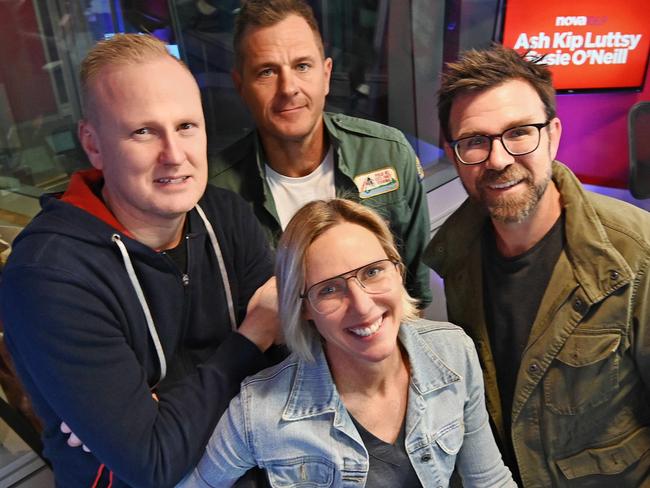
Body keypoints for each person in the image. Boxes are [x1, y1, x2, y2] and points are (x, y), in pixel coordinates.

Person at [0, 34, 281, 487]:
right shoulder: (49, 277)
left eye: (186, 126)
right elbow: (150, 462)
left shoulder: (224, 213)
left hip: (257, 462)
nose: (174, 155)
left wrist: (162, 412)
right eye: (143, 132)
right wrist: (253, 336)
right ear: (93, 144)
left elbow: (294, 357)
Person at [423, 44, 650, 487]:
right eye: (475, 141)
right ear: (453, 155)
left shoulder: (636, 255)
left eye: (519, 132)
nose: (499, 159)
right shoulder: (455, 254)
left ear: (554, 134)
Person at [177, 198, 515, 487]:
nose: (363, 306)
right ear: (305, 307)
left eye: (372, 272)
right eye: (329, 289)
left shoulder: (454, 352)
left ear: (397, 272)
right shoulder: (259, 411)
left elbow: (487, 479)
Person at [209, 0, 432, 308]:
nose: (288, 87)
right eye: (267, 71)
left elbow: (415, 290)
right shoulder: (216, 189)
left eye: (302, 66)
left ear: (326, 75)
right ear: (241, 85)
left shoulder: (388, 153)